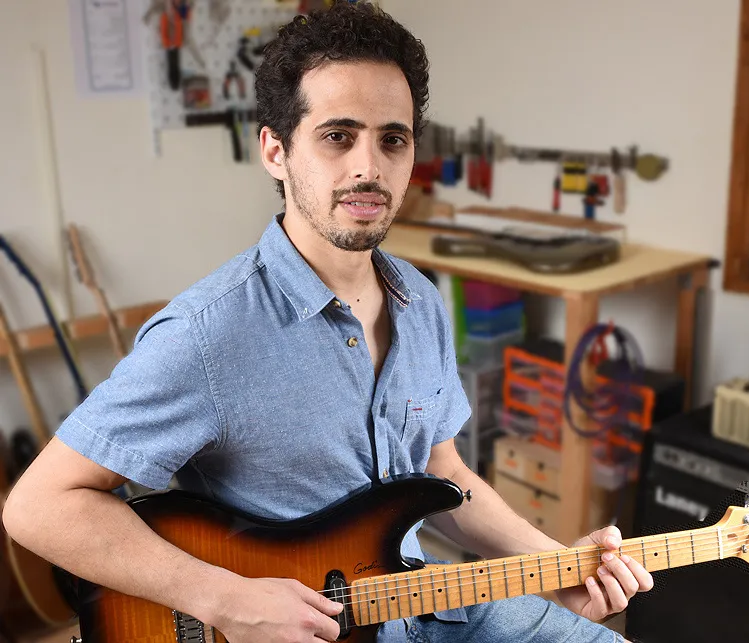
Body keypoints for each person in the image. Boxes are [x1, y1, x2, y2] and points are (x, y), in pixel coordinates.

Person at [2, 3, 652, 642]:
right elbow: (38, 507)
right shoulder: (207, 334)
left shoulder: (421, 304)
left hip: (425, 605)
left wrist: (554, 565)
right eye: (338, 136)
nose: (369, 167)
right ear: (275, 150)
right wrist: (226, 600)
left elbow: (440, 470)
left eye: (392, 139)